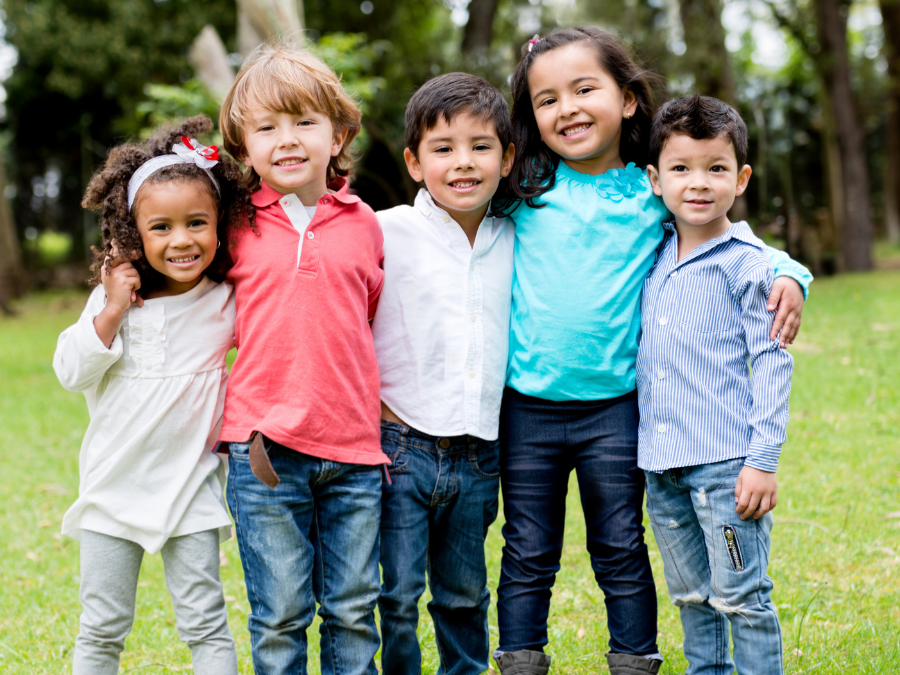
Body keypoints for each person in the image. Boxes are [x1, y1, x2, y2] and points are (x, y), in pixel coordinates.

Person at [491, 27, 813, 675]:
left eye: (586, 89)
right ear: (531, 115)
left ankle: (634, 660)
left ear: (629, 99)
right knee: (527, 546)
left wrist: (788, 270)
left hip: (616, 409)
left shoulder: (651, 189)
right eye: (547, 99)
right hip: (525, 406)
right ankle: (521, 659)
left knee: (620, 545)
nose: (568, 108)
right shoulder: (521, 187)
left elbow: (725, 227)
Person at [53, 115, 251, 675]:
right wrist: (112, 308)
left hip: (189, 492)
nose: (181, 240)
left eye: (197, 223)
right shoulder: (112, 301)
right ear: (131, 231)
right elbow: (69, 372)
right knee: (102, 628)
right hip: (112, 492)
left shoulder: (225, 301)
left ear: (221, 224)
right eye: (160, 227)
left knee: (206, 622)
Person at [217, 44, 386, 675]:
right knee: (281, 614)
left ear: (338, 133)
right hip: (263, 451)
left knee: (351, 608)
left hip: (353, 451)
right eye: (267, 128)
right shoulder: (231, 225)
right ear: (243, 145)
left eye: (304, 123)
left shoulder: (366, 224)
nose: (286, 141)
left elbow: (365, 320)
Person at [640, 94, 792, 675]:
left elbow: (773, 362)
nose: (698, 183)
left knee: (742, 600)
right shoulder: (652, 254)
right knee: (692, 600)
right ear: (656, 179)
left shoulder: (751, 265)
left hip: (726, 468)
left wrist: (763, 459)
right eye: (681, 168)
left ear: (742, 177)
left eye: (716, 168)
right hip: (662, 469)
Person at [372, 72, 515, 675]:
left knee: (463, 596)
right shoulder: (382, 231)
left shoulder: (520, 235)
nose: (463, 163)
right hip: (399, 444)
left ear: (508, 159)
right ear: (413, 161)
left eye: (481, 147)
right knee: (396, 596)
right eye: (443, 148)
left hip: (481, 450)